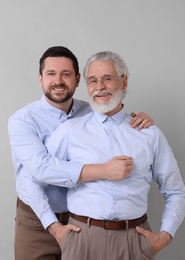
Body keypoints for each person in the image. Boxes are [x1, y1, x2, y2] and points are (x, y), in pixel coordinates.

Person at [30, 51, 185, 259]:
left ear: (124, 82)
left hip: (134, 242)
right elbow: (35, 176)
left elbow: (176, 191)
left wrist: (165, 236)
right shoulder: (70, 131)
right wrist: (54, 227)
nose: (99, 87)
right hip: (81, 240)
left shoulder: (149, 134)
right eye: (93, 80)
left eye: (107, 79)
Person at [8, 46, 155, 260]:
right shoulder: (22, 120)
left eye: (66, 74)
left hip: (83, 225)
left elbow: (117, 127)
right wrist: (54, 226)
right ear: (40, 78)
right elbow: (37, 172)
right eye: (51, 74)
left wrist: (138, 120)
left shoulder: (92, 110)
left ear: (78, 80)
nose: (58, 81)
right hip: (38, 220)